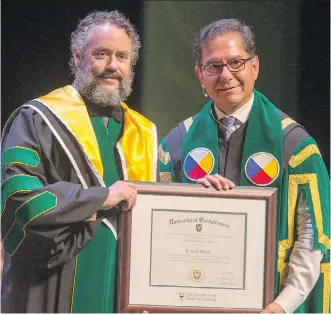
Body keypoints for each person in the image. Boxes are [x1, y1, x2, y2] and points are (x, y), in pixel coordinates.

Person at [158, 19, 329, 313]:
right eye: (214, 66)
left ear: (255, 66)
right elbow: (159, 233)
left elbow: (313, 236)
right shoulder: (175, 145)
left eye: (236, 62)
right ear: (200, 75)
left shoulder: (295, 146)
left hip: (271, 303)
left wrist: (282, 305)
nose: (226, 75)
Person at [1, 10, 157, 313]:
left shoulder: (143, 134)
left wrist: (204, 191)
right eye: (102, 54)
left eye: (122, 57)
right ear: (76, 57)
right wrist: (99, 198)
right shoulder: (37, 119)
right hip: (50, 287)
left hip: (122, 294)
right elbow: (16, 199)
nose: (113, 66)